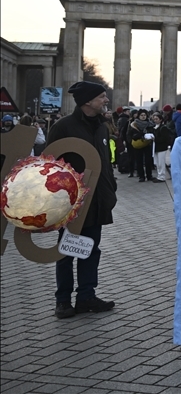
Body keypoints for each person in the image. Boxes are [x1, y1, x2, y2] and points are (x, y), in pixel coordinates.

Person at [45, 81, 117, 318]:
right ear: (87, 101)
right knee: (66, 251)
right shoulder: (63, 127)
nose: (106, 100)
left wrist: (111, 188)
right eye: (102, 96)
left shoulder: (102, 127)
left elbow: (105, 162)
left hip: (97, 201)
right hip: (70, 203)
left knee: (91, 249)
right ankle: (63, 300)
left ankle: (86, 296)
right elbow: (48, 166)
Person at [127, 109, 156, 183]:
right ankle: (141, 176)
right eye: (141, 115)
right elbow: (130, 134)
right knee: (139, 161)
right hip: (138, 144)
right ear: (138, 116)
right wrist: (140, 136)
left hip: (147, 144)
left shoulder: (150, 124)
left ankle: (149, 175)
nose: (143, 117)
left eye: (144, 115)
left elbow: (153, 132)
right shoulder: (134, 124)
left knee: (148, 161)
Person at [151, 112, 175, 182]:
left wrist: (155, 139)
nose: (155, 120)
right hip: (156, 147)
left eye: (157, 119)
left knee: (161, 163)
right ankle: (159, 175)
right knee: (157, 163)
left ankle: (162, 176)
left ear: (160, 119)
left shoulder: (163, 128)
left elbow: (164, 138)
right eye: (154, 119)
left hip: (162, 148)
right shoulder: (155, 127)